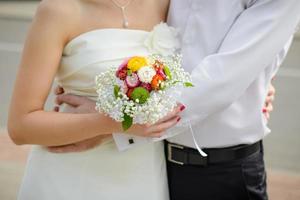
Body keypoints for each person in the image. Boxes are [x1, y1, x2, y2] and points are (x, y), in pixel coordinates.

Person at [48, 0, 300, 200]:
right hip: (155, 164)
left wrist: (116, 124)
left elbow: (221, 80)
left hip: (223, 172)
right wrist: (82, 70)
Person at [8, 0, 183, 199]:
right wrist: (112, 123)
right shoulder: (58, 9)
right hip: (70, 175)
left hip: (143, 173)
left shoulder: (168, 5)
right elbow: (21, 126)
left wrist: (125, 127)